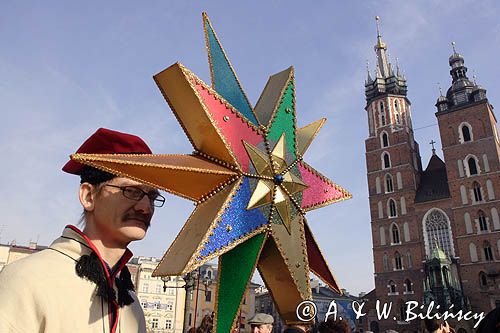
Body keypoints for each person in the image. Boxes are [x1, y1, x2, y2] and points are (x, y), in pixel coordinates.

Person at [0, 128, 164, 333]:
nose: (146, 207)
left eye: (152, 197)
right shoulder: (27, 280)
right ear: (88, 196)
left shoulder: (131, 304)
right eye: (131, 191)